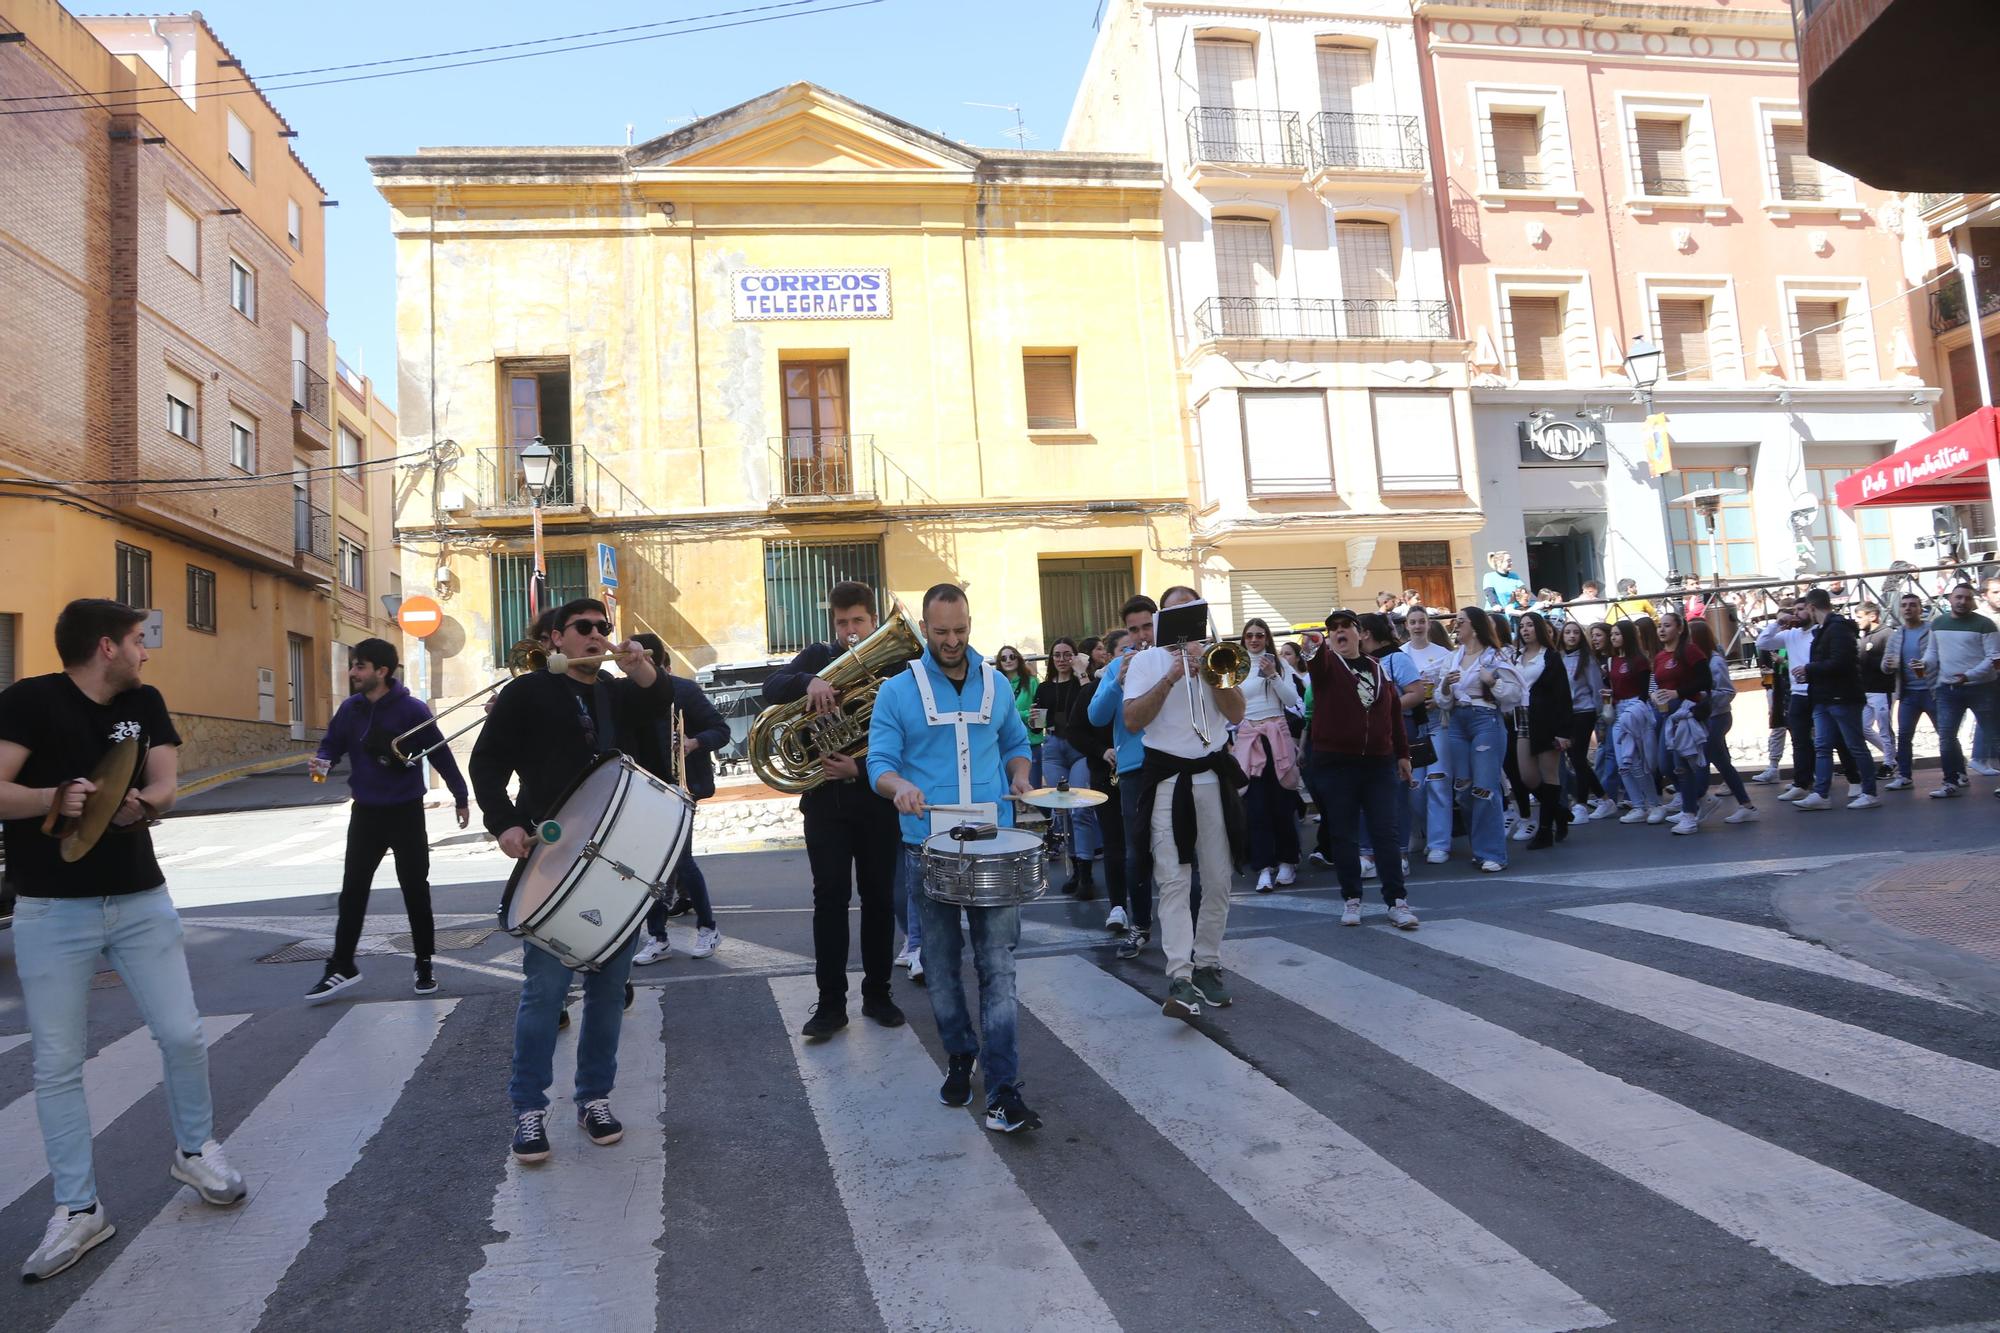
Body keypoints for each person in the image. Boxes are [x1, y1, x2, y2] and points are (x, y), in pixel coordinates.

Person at [0, 599, 245, 1281]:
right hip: (53, 909)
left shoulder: (147, 702)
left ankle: (196, 1150)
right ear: (105, 646)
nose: (147, 651)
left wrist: (147, 801)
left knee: (183, 1032)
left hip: (141, 899)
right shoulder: (29, 701)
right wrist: (55, 796)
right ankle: (78, 1209)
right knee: (56, 1061)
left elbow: (164, 782)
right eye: (139, 640)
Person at [472, 598, 676, 1164]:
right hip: (553, 858)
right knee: (545, 992)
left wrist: (640, 667)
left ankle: (594, 1098)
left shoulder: (614, 692)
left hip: (615, 862)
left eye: (602, 628)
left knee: (610, 989)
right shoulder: (526, 693)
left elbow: (664, 703)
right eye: (584, 628)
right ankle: (529, 1109)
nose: (596, 636)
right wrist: (506, 824)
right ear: (556, 638)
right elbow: (486, 765)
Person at [868, 583, 1039, 1133]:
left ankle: (1004, 1087)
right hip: (929, 847)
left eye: (960, 630)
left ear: (970, 620)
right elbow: (879, 763)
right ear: (924, 627)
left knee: (999, 965)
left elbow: (1016, 742)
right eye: (941, 632)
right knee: (941, 967)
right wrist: (898, 788)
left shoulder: (996, 682)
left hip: (994, 845)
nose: (952, 641)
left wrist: (1019, 775)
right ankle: (960, 1053)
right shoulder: (897, 691)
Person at [762, 582, 907, 1038]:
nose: (849, 631)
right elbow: (771, 687)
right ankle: (830, 1004)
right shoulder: (816, 657)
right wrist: (810, 681)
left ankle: (878, 994)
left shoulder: (897, 665)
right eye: (842, 622)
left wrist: (858, 768)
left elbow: (909, 738)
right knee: (829, 900)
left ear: (874, 621)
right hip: (824, 803)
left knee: (879, 899)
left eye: (858, 621)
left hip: (875, 800)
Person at [305, 638, 470, 1003]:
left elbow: (439, 754)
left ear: (381, 672)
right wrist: (323, 760)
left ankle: (424, 963)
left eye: (360, 666)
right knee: (352, 892)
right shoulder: (350, 709)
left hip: (405, 811)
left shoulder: (411, 710)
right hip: (365, 812)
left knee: (415, 889)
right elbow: (331, 743)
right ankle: (342, 965)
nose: (352, 672)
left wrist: (460, 796)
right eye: (353, 665)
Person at [1122, 586, 1247, 1021]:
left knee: (1217, 878)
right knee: (1173, 879)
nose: (1183, 624)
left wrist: (1208, 671)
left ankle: (1208, 964)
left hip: (1211, 774)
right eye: (1174, 615)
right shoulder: (1145, 661)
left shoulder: (1219, 656)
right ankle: (1179, 974)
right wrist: (1172, 675)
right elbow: (1133, 719)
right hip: (1167, 778)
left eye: (1190, 614)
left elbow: (1236, 714)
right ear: (1162, 620)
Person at [1290, 611, 1418, 928]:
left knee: (1385, 833)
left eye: (1345, 626)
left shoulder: (1377, 668)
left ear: (1359, 633)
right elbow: (1315, 661)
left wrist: (1402, 754)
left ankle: (1397, 902)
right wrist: (1316, 645)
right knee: (1344, 834)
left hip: (1378, 762)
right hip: (1336, 763)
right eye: (1333, 629)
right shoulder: (1328, 666)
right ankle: (1352, 899)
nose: (1338, 632)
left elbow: (1391, 715)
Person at [630, 632, 730, 967]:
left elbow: (721, 730)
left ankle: (708, 927)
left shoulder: (684, 690)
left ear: (651, 659)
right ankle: (658, 937)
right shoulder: (627, 694)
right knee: (655, 867)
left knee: (681, 860)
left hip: (683, 787)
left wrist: (693, 743)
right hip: (647, 788)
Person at [1090, 595, 1159, 959]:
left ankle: (1194, 934)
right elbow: (1097, 717)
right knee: (1137, 854)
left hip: (1174, 763)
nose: (1141, 635)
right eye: (1133, 629)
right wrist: (1118, 679)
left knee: (1182, 852)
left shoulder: (1172, 659)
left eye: (1147, 626)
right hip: (1133, 771)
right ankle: (1140, 925)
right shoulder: (1119, 665)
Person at [1436, 607, 1521, 871]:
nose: (1455, 626)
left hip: (1486, 719)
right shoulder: (1452, 658)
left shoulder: (1496, 657)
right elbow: (1441, 700)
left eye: (1460, 621)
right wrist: (1446, 687)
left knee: (1485, 788)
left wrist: (1493, 682)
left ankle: (1493, 853)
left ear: (1475, 626)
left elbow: (1514, 695)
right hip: (1458, 722)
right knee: (1463, 790)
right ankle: (1480, 848)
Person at [1757, 599, 1860, 802]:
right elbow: (1762, 642)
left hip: (1820, 691)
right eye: (1794, 610)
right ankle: (1802, 783)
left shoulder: (1820, 633)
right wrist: (1778, 623)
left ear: (1812, 611)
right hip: (1798, 694)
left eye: (1801, 609)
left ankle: (1855, 779)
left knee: (1836, 739)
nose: (1797, 613)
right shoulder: (1790, 635)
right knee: (1800, 740)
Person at [1790, 588, 1881, 811]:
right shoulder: (1825, 629)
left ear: (1812, 607)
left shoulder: (1837, 629)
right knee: (1822, 746)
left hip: (1842, 697)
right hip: (1825, 697)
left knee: (1855, 745)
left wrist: (1809, 669)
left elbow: (1842, 662)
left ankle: (1869, 792)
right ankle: (1821, 794)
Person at [1230, 618, 1301, 892]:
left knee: (1282, 803)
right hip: (1249, 738)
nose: (1254, 640)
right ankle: (1263, 865)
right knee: (1256, 807)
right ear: (1244, 639)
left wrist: (1272, 674)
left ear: (1267, 638)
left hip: (1276, 737)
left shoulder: (1278, 664)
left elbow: (1291, 700)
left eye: (1260, 635)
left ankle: (1287, 860)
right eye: (1249, 636)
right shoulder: (1236, 666)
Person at [1355, 613, 1425, 881]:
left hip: (1396, 731)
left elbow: (1416, 693)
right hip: (1364, 735)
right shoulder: (1354, 662)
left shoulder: (1396, 658)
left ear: (1366, 633)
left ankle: (1401, 854)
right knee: (1364, 794)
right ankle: (1367, 854)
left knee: (1396, 792)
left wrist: (1386, 709)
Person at [1031, 638, 1100, 898]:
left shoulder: (1082, 681)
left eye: (1067, 654)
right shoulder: (1044, 687)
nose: (1062, 659)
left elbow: (1093, 704)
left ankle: (1086, 872)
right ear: (1051, 659)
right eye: (1057, 655)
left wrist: (1082, 672)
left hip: (1079, 748)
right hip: (1053, 748)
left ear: (1075, 656)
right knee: (1063, 811)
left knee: (1080, 807)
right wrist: (1033, 720)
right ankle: (1075, 869)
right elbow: (1036, 726)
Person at [1070, 632, 1128, 928]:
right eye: (1124, 650)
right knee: (1114, 841)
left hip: (1143, 774)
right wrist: (1101, 750)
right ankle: (1118, 906)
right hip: (1107, 775)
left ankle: (1143, 907)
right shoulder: (1093, 689)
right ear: (1110, 657)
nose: (1132, 655)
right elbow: (1076, 730)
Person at [1921, 581, 2000, 799]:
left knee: (1995, 735)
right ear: (1950, 599)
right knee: (1946, 736)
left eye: (1967, 597)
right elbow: (1932, 653)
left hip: (1982, 688)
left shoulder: (1985, 624)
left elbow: (1995, 659)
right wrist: (1923, 664)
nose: (1962, 601)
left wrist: (1969, 675)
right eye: (1958, 597)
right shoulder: (1938, 623)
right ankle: (1950, 781)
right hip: (1948, 689)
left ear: (1973, 601)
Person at [1687, 618, 1757, 823]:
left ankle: (1697, 803)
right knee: (1723, 764)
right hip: (1707, 716)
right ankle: (1746, 805)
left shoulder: (1714, 661)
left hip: (1718, 716)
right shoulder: (1697, 661)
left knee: (1703, 758)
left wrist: (1704, 695)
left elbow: (1727, 691)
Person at [1399, 607, 1456, 859]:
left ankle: (1439, 843)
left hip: (1436, 722)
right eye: (1413, 622)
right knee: (1415, 785)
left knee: (1438, 781)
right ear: (1406, 625)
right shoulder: (1399, 655)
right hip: (1410, 725)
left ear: (1429, 624)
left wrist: (1440, 700)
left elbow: (1453, 688)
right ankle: (1418, 830)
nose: (1418, 626)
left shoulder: (1444, 654)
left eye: (1422, 621)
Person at [1512, 612, 1571, 849]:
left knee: (1549, 775)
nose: (1526, 630)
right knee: (1527, 776)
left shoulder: (1551, 657)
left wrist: (1564, 731)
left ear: (1539, 629)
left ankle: (1545, 829)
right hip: (1522, 719)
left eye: (1530, 625)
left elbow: (1563, 696)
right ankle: (1558, 811)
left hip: (1547, 720)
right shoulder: (1516, 656)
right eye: (1522, 626)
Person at [1652, 611, 1715, 834]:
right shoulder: (1659, 656)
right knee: (1664, 764)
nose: (1661, 630)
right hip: (1667, 715)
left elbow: (1706, 681)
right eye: (1660, 626)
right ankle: (1699, 799)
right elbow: (1658, 684)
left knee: (1681, 765)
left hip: (1687, 712)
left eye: (1667, 626)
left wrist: (1677, 692)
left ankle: (1690, 814)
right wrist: (1655, 695)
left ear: (1679, 629)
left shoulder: (1690, 650)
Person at [1608, 619, 1666, 824]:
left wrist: (1635, 710)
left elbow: (1643, 692)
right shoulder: (1611, 661)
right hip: (1618, 710)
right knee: (1623, 762)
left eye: (1617, 633)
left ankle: (1654, 804)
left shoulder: (1639, 661)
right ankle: (1638, 805)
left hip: (1636, 711)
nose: (1613, 637)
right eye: (1612, 634)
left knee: (1638, 763)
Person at [1556, 620, 1613, 821]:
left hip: (1584, 711)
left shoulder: (1587, 660)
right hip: (1565, 714)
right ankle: (1603, 798)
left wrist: (1599, 715)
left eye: (1576, 633)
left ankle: (1581, 804)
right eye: (1567, 632)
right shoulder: (1558, 658)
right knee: (1575, 758)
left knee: (1578, 757)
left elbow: (1596, 689)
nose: (1571, 636)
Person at [1879, 592, 1937, 793]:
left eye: (1913, 605)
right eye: (1904, 605)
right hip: (1908, 694)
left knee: (1945, 734)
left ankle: (1956, 774)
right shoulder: (1897, 635)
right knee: (1904, 736)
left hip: (1931, 691)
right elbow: (1884, 667)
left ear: (1921, 609)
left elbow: (1940, 657)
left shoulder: (1931, 631)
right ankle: (1904, 776)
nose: (1908, 608)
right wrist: (1888, 665)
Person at [1853, 602, 1900, 783]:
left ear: (1872, 616)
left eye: (1859, 617)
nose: (1857, 621)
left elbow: (1891, 661)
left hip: (1883, 689)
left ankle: (1889, 762)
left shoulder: (1887, 634)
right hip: (1866, 689)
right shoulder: (1864, 636)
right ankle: (1893, 756)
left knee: (1884, 728)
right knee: (1864, 727)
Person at [995, 645, 1041, 785]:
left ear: (1018, 659)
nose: (1008, 660)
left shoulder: (1032, 682)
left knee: (1033, 793)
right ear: (999, 662)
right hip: (1003, 745)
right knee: (1008, 793)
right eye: (1003, 658)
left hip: (1031, 743)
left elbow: (1039, 714)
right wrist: (1025, 715)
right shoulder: (996, 685)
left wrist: (1018, 715)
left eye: (1012, 656)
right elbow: (997, 715)